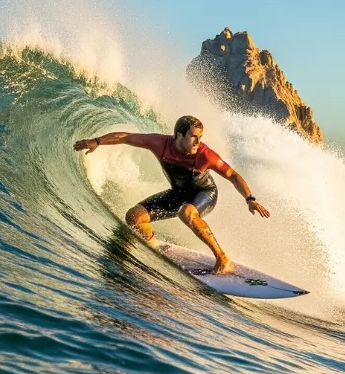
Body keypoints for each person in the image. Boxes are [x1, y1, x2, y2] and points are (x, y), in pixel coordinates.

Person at [73, 115, 269, 274]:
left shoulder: (204, 155)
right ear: (179, 135)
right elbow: (126, 137)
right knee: (133, 217)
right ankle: (152, 245)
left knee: (187, 213)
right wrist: (97, 141)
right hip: (179, 194)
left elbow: (233, 175)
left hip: (204, 194)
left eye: (200, 136)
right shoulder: (160, 144)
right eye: (194, 136)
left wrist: (249, 198)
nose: (199, 141)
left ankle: (222, 258)